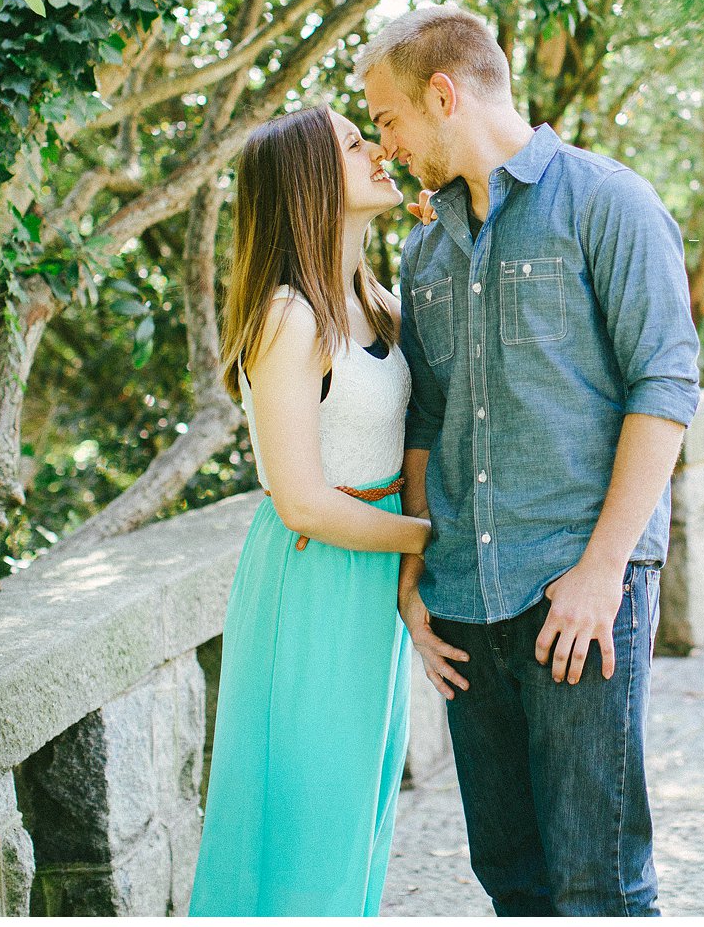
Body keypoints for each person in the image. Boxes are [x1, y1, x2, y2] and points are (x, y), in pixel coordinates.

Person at [355, 4, 702, 917]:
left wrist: (602, 572)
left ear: (441, 95)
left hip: (577, 594)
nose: (383, 145)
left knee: (600, 883)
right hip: (466, 604)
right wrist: (417, 579)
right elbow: (425, 418)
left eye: (386, 119)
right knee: (513, 883)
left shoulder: (607, 201)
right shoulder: (426, 247)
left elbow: (665, 388)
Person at [188, 105, 431, 916]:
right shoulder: (288, 318)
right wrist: (432, 539)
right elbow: (300, 502)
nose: (379, 151)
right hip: (315, 582)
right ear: (310, 182)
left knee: (356, 823)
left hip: (375, 584)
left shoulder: (377, 302)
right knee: (301, 834)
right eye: (354, 146)